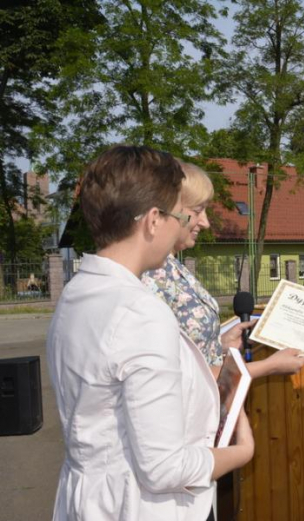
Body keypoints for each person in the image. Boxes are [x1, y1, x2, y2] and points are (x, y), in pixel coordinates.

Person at [46, 145, 253, 521]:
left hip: (87, 499)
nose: (190, 225)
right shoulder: (141, 312)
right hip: (138, 508)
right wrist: (240, 452)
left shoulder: (78, 292)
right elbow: (164, 467)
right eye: (180, 215)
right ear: (154, 220)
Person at [142, 162, 304, 377]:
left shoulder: (172, 266)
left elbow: (188, 353)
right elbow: (169, 376)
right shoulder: (148, 275)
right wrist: (269, 366)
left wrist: (219, 344)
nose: (206, 222)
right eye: (198, 211)